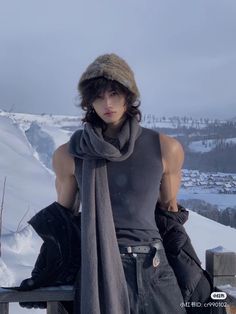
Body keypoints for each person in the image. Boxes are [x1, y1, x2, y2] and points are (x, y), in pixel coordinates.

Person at [18, 53, 214, 313]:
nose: (107, 103)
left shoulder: (166, 149)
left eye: (114, 94)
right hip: (98, 269)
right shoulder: (69, 154)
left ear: (129, 95)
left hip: (154, 268)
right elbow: (64, 218)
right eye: (98, 97)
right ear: (89, 103)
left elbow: (169, 212)